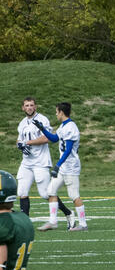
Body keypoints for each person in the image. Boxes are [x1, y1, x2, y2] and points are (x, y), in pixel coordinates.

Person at [16, 97, 74, 228]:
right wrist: (20, 145)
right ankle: (25, 224)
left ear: (35, 107)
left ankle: (68, 213)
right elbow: (19, 139)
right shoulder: (22, 123)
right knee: (22, 192)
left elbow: (46, 138)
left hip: (40, 162)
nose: (29, 107)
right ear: (23, 108)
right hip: (26, 163)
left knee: (45, 193)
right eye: (27, 105)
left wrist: (27, 143)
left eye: (31, 105)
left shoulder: (42, 119)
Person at [33, 102, 87, 232]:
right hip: (63, 167)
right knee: (51, 191)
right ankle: (53, 222)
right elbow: (54, 138)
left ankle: (83, 224)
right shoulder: (63, 126)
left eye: (57, 112)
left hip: (71, 167)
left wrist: (57, 165)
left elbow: (68, 150)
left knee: (74, 195)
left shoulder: (71, 127)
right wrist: (42, 129)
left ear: (61, 112)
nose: (56, 114)